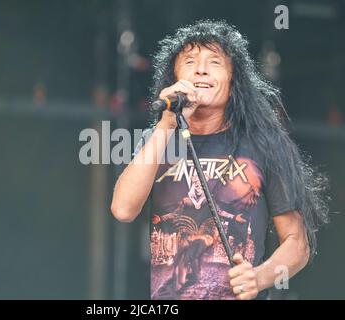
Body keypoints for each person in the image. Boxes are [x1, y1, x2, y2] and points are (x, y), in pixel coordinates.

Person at [111, 20, 329, 300]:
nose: (201, 68)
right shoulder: (158, 141)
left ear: (232, 80)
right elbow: (123, 209)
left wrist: (259, 277)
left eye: (214, 62)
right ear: (174, 78)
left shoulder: (264, 144)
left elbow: (297, 243)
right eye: (190, 61)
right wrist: (166, 125)